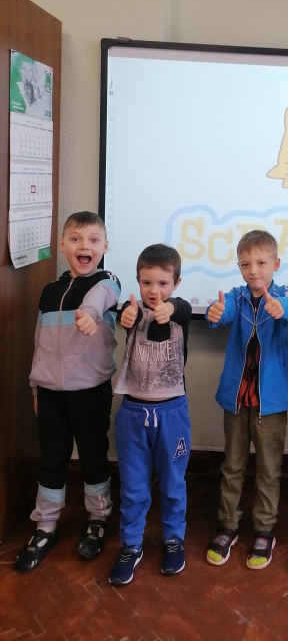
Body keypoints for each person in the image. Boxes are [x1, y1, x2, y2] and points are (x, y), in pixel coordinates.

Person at [15, 211, 120, 572]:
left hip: (90, 390)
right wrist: (35, 386)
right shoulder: (49, 291)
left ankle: (98, 518)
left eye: (93, 240)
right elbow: (40, 344)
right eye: (75, 239)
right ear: (62, 245)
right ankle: (45, 525)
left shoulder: (107, 282)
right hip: (50, 392)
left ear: (104, 246)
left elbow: (102, 295)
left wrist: (89, 313)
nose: (84, 246)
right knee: (52, 459)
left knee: (93, 457)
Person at [205, 230, 288, 570]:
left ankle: (264, 529)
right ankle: (228, 525)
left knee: (268, 470)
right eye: (246, 264)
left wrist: (279, 308)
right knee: (232, 466)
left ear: (276, 264)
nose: (253, 270)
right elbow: (223, 312)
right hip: (237, 401)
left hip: (269, 405)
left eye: (261, 263)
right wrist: (216, 312)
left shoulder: (284, 295)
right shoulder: (236, 296)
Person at [108, 244, 192, 586]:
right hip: (133, 413)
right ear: (138, 282)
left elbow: (183, 308)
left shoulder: (180, 311)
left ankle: (173, 539)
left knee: (173, 483)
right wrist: (125, 317)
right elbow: (125, 316)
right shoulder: (132, 311)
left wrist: (170, 307)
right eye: (146, 283)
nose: (154, 291)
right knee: (133, 486)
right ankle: (130, 544)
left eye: (162, 283)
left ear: (176, 283)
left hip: (172, 415)